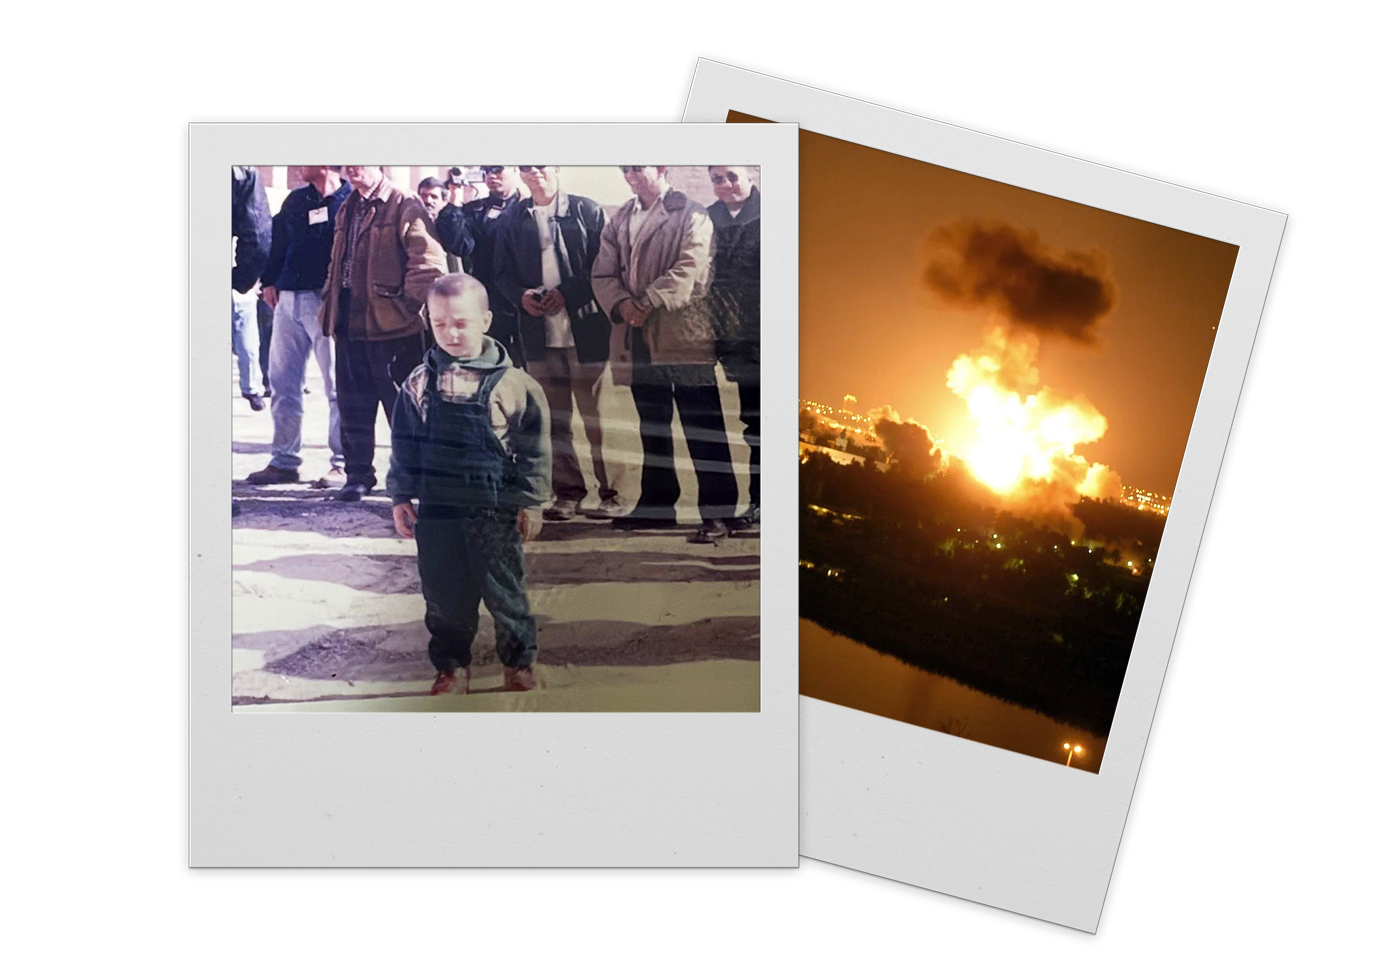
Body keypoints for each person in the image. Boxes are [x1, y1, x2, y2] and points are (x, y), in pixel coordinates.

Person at [387, 274, 552, 695]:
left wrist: (530, 502)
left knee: (504, 590)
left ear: (486, 320)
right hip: (438, 509)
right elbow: (403, 443)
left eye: (461, 323)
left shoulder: (514, 385)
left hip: (493, 506)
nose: (451, 333)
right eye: (440, 325)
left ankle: (519, 665)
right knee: (443, 595)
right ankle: (451, 667)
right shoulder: (419, 383)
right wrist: (400, 495)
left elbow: (534, 450)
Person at [591, 166, 738, 544]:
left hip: (684, 334)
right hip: (637, 335)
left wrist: (647, 301)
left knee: (702, 428)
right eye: (626, 169)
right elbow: (602, 272)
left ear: (661, 169)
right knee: (652, 426)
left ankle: (718, 514)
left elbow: (691, 266)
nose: (631, 175)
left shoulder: (692, 214)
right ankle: (658, 504)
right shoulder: (621, 217)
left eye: (639, 167)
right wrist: (623, 305)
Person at [493, 166, 630, 521]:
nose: (535, 172)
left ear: (557, 170)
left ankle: (613, 493)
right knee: (553, 420)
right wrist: (520, 296)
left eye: (542, 165)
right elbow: (499, 273)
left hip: (585, 332)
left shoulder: (586, 211)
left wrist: (566, 294)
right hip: (539, 336)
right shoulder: (512, 218)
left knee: (598, 416)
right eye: (527, 167)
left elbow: (605, 265)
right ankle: (568, 493)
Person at [319, 165, 448, 501]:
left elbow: (429, 265)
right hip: (349, 325)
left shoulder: (405, 203)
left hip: (393, 330)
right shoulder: (348, 205)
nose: (350, 167)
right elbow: (337, 264)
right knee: (353, 408)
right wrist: (328, 304)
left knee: (403, 410)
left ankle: (412, 481)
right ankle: (358, 475)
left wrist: (404, 309)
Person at [246, 166, 352, 488]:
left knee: (337, 387)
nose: (298, 165)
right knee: (283, 384)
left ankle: (343, 464)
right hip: (288, 301)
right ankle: (284, 461)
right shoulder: (296, 200)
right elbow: (277, 240)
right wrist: (268, 281)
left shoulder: (349, 200)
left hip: (327, 301)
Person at [707, 166, 762, 531]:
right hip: (730, 338)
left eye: (731, 176)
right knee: (750, 423)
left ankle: (762, 503)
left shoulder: (775, 217)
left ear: (751, 175)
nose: (725, 184)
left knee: (763, 425)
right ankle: (753, 502)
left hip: (764, 337)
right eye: (717, 178)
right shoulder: (706, 219)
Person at [435, 166, 524, 364]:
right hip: (489, 299)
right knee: (489, 363)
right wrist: (453, 201)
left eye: (497, 169)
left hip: (524, 297)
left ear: (515, 170)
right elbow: (461, 246)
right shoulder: (475, 210)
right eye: (486, 170)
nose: (491, 176)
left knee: (532, 368)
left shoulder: (529, 206)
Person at [232, 166, 272, 412]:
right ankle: (252, 387)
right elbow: (258, 235)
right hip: (234, 271)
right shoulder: (242, 171)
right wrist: (242, 277)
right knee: (245, 332)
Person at [417, 175, 461, 274]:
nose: (428, 201)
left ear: (444, 201)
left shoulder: (451, 222)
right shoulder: (411, 223)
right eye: (424, 195)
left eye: (434, 197)